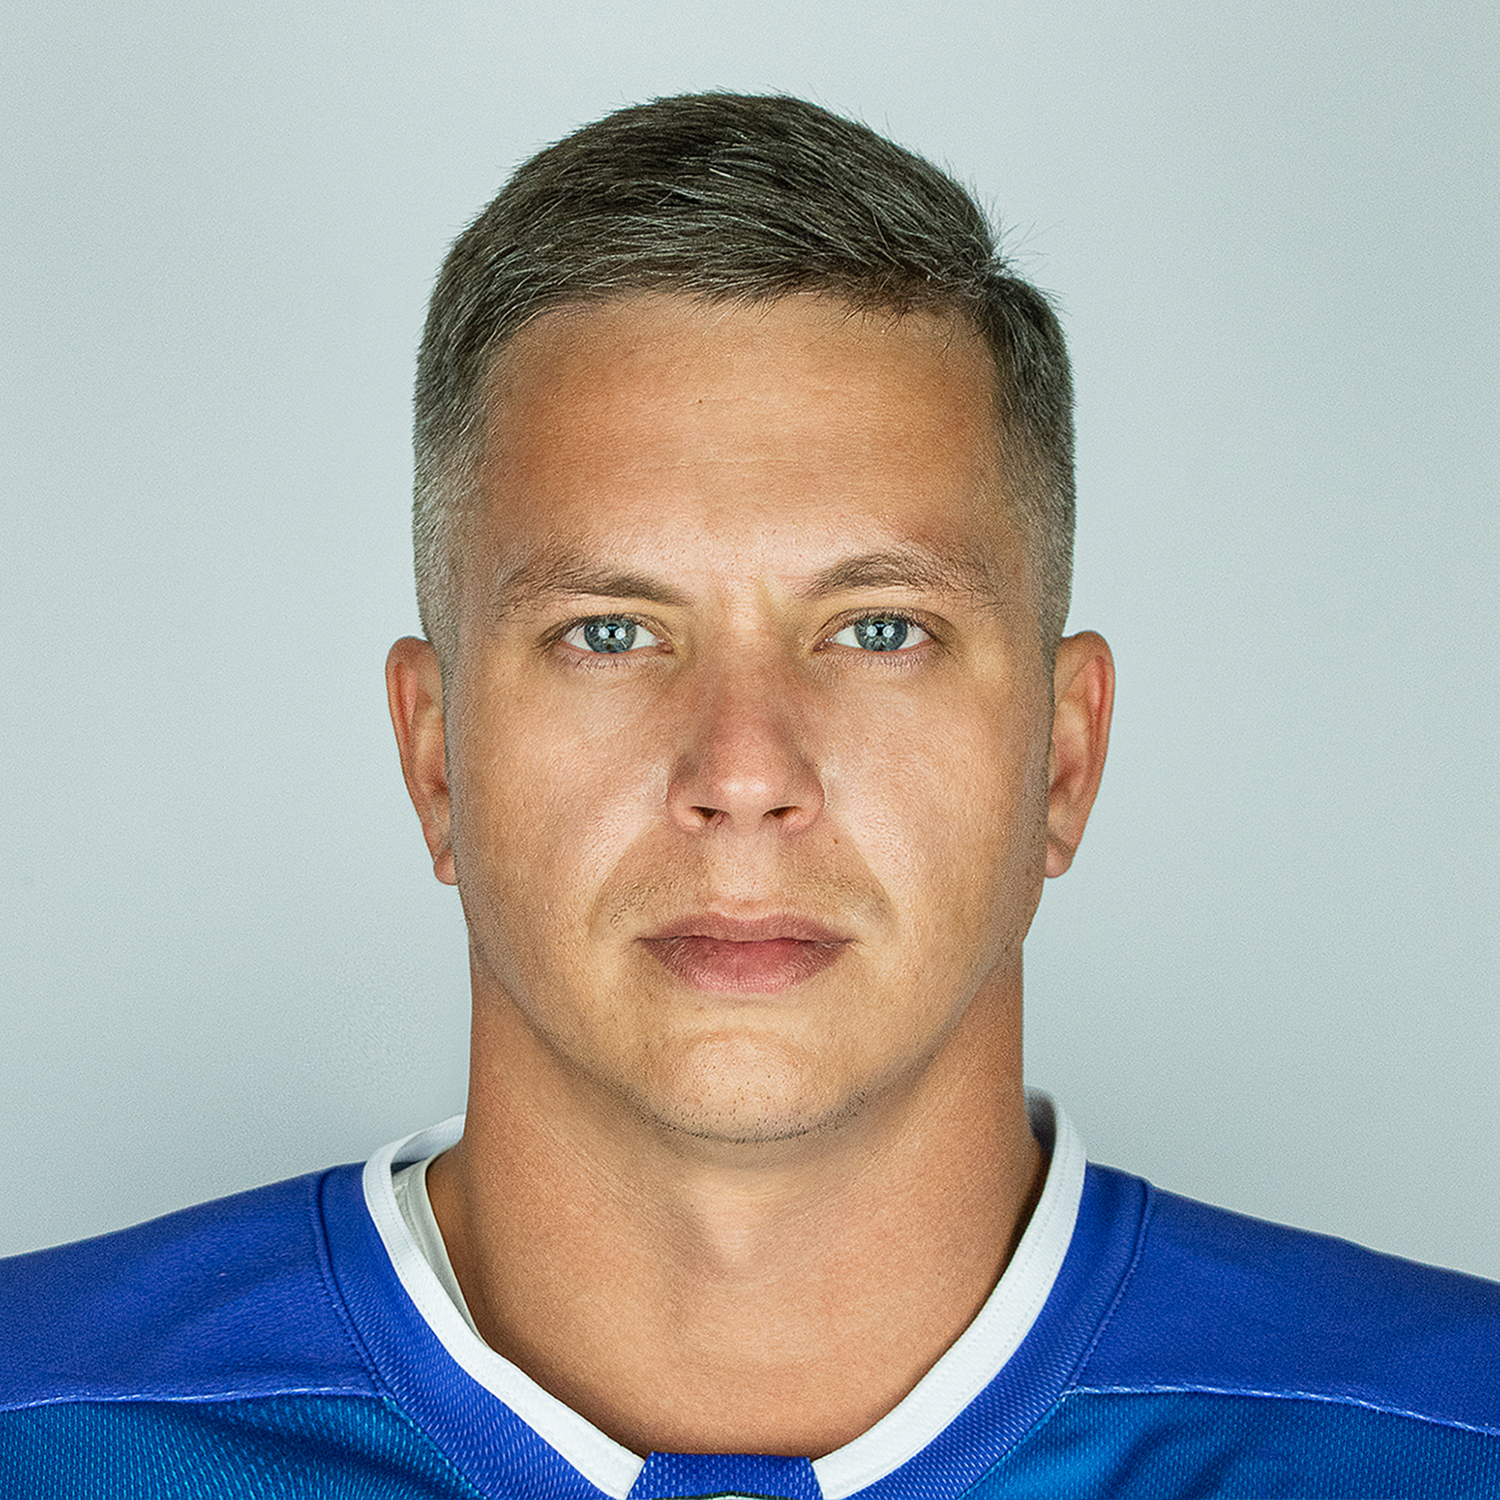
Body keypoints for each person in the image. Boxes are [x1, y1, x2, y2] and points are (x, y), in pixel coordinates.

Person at [2, 92, 1497, 1500]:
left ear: (1063, 755)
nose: (742, 776)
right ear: (436, 754)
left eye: (879, 630)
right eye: (609, 634)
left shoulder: (1451, 1437)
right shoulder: (45, 1426)